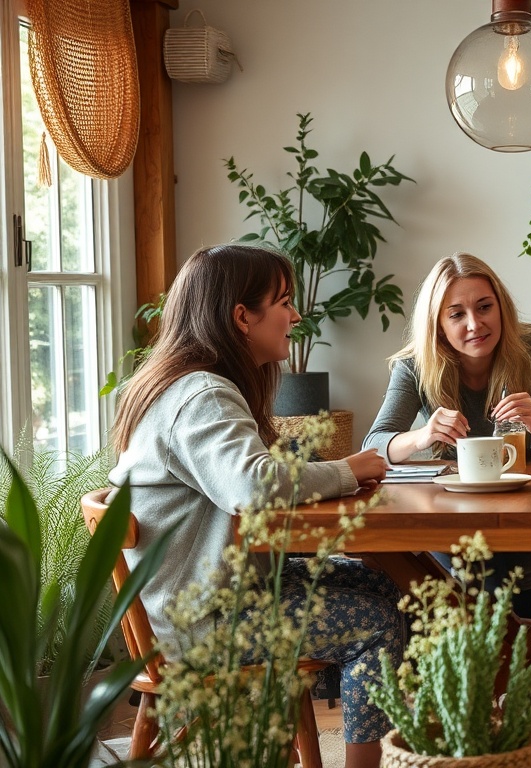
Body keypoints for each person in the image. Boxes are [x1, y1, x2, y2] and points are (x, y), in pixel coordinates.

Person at [109, 243, 402, 768]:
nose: (295, 315)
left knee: (384, 583)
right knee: (377, 621)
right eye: (284, 302)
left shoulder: (193, 387)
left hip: (212, 594)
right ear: (241, 317)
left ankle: (396, 738)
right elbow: (252, 485)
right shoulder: (202, 395)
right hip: (205, 620)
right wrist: (347, 468)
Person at [363, 252, 531, 618]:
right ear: (438, 325)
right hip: (447, 530)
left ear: (501, 308)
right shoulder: (415, 364)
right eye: (457, 314)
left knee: (522, 653)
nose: (475, 324)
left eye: (484, 307)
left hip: (521, 527)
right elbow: (374, 446)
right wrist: (422, 435)